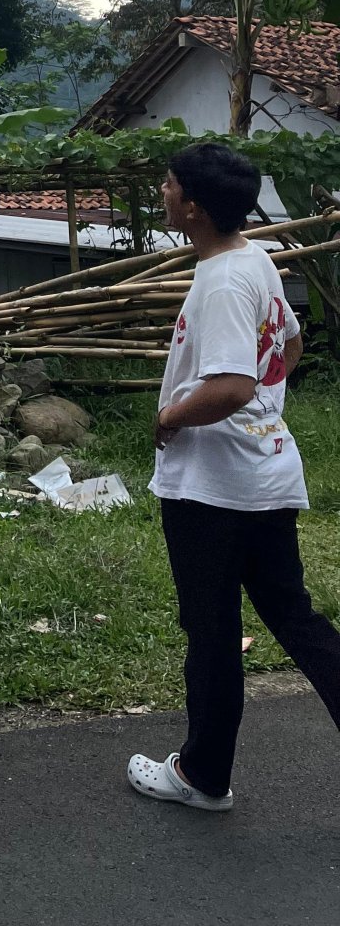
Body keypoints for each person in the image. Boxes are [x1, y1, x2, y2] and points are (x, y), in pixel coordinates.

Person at [127, 142, 340, 811]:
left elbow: (231, 385)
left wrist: (170, 416)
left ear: (192, 206)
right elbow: (290, 344)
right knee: (294, 617)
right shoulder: (254, 259)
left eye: (169, 184)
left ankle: (202, 777)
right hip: (266, 473)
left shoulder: (220, 282)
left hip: (213, 488)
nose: (162, 192)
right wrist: (263, 411)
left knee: (212, 630)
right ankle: (204, 771)